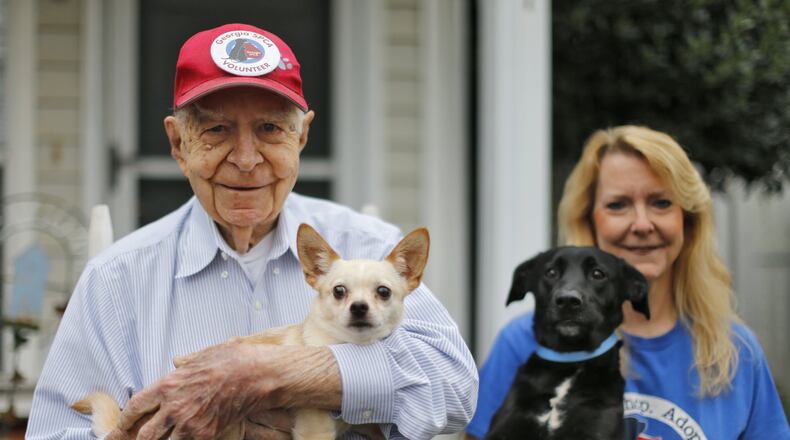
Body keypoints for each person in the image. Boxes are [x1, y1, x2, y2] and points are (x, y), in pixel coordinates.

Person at [27, 23, 478, 440]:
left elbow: (456, 386)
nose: (246, 159)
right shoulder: (117, 278)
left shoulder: (366, 248)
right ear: (178, 145)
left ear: (300, 138)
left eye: (269, 128)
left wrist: (277, 373)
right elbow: (56, 430)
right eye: (217, 129)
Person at [466, 125, 790, 439]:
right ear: (590, 220)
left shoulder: (735, 351)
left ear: (687, 221)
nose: (641, 224)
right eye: (618, 205)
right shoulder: (523, 342)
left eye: (661, 202)